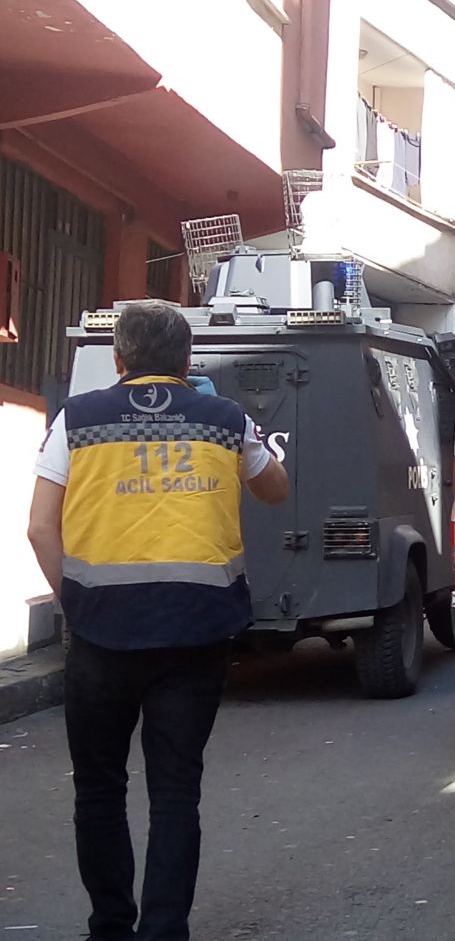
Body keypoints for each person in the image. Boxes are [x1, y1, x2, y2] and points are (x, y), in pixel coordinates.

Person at [27, 299, 289, 941]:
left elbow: (39, 528)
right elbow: (275, 488)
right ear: (189, 361)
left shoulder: (77, 419)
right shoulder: (225, 420)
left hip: (100, 637)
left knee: (98, 789)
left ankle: (110, 927)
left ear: (118, 361)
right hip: (195, 635)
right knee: (175, 791)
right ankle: (165, 930)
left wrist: (77, 604)